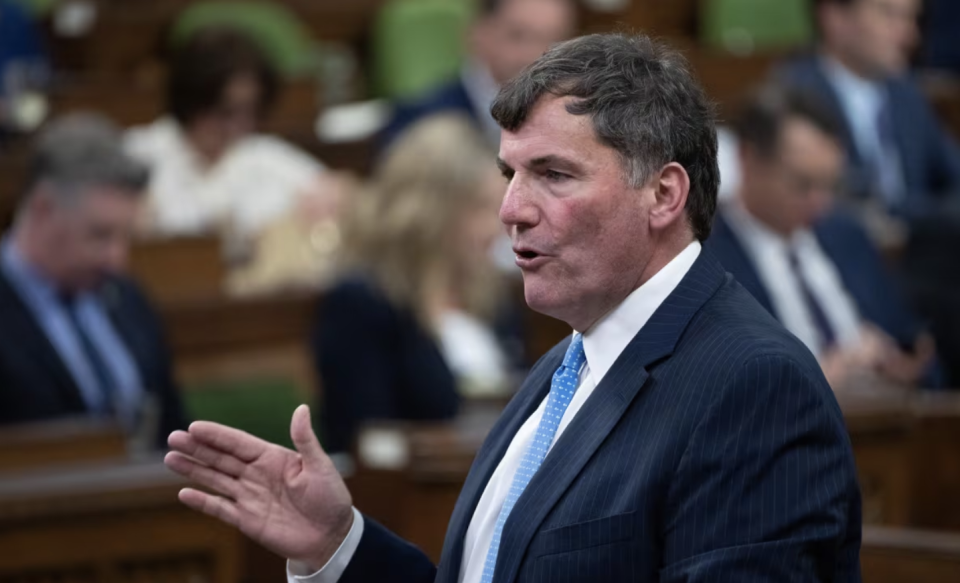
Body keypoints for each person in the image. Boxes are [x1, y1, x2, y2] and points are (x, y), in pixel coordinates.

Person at [165, 34, 862, 582]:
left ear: (664, 194)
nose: (511, 210)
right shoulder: (567, 363)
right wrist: (338, 544)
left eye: (553, 175)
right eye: (511, 175)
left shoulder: (753, 386)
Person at [707, 84, 938, 390]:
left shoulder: (846, 236)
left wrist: (901, 365)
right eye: (803, 184)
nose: (821, 202)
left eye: (830, 185)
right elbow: (719, 391)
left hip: (886, 418)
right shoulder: (705, 259)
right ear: (748, 160)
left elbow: (920, 353)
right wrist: (824, 379)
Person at [315, 114, 512, 459]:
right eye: (481, 209)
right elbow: (368, 442)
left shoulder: (494, 294)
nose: (496, 228)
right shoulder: (363, 303)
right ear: (430, 211)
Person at [0, 113, 186, 446]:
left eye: (126, 236)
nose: (117, 259)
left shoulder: (126, 297)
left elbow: (173, 427)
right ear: (43, 209)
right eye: (100, 235)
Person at [124, 26, 335, 241]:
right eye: (225, 111)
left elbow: (338, 189)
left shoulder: (260, 153)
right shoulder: (140, 152)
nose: (238, 125)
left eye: (251, 111)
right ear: (192, 101)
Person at [777, 0, 960, 217]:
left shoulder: (907, 93)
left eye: (912, 18)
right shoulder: (793, 95)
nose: (911, 35)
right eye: (890, 15)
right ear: (835, 18)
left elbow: (953, 172)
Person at [381, 0, 577, 149]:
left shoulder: (577, 118)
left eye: (555, 41)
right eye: (518, 36)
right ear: (478, 33)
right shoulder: (419, 121)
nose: (537, 54)